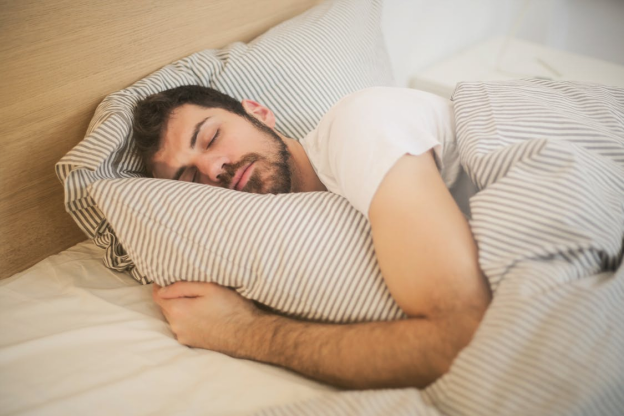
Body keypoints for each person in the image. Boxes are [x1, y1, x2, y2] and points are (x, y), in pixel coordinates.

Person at [133, 85, 492, 389]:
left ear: (257, 113)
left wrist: (241, 331)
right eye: (191, 179)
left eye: (211, 137)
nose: (213, 169)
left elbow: (462, 340)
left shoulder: (359, 125)